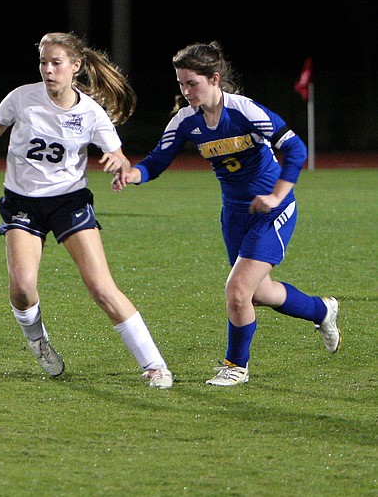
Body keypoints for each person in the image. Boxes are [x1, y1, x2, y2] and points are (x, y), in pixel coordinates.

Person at [0, 32, 174, 388]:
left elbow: (119, 154)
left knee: (100, 287)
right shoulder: (21, 99)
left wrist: (117, 160)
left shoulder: (91, 113)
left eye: (56, 63)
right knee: (22, 286)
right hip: (22, 203)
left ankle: (154, 365)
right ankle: (38, 341)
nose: (48, 70)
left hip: (69, 201)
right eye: (43, 62)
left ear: (75, 66)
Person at [112, 41, 339, 387]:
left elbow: (295, 148)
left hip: (271, 212)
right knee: (258, 293)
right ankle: (322, 311)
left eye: (192, 83)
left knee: (236, 291)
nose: (186, 91)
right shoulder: (186, 121)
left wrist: (277, 195)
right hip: (234, 215)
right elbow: (157, 161)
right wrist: (133, 174)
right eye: (181, 84)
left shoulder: (245, 111)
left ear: (214, 79)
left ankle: (236, 366)